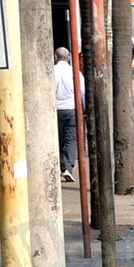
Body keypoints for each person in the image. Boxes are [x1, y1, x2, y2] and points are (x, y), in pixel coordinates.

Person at [54, 47, 84, 183]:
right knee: (71, 139)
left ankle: (59, 165)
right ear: (69, 57)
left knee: (58, 138)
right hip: (71, 109)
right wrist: (84, 107)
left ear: (55, 57)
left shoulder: (52, 71)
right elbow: (82, 91)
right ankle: (67, 167)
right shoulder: (74, 72)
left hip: (55, 109)